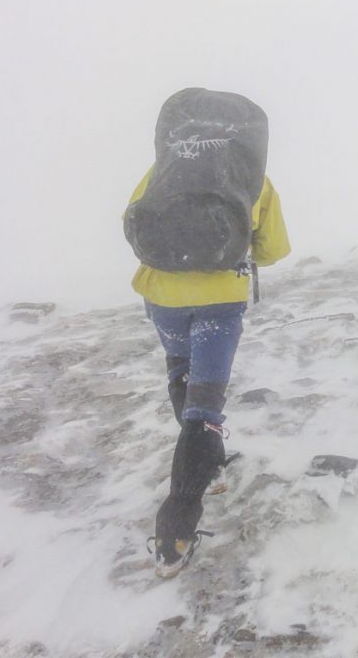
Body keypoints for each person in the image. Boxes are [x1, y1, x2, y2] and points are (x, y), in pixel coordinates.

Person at [126, 90, 290, 577]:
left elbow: (135, 223)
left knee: (181, 373)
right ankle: (175, 529)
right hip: (219, 301)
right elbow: (274, 249)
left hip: (162, 296)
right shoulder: (254, 179)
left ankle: (210, 464)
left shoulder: (162, 170)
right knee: (206, 407)